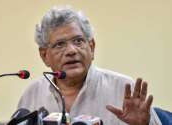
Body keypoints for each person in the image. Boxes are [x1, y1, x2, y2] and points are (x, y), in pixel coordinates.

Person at [18, 6, 162, 125]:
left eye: (78, 41)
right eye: (60, 44)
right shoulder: (32, 94)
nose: (71, 51)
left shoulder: (124, 90)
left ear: (91, 47)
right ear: (44, 56)